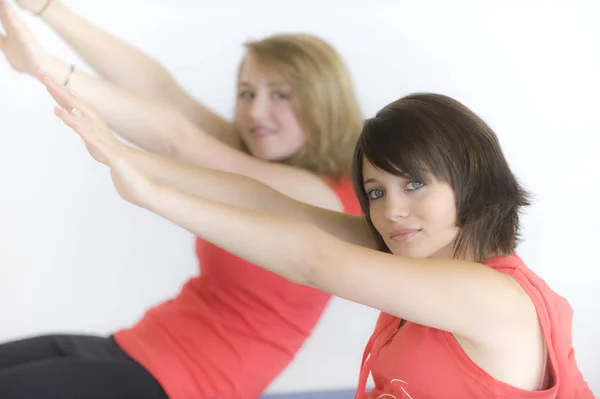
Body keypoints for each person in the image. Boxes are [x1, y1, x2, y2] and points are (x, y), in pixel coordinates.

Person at [42, 74, 594, 398]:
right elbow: (277, 206)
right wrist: (126, 159)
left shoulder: (490, 296)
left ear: (470, 180)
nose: (392, 210)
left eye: (415, 183)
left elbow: (313, 260)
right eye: (376, 191)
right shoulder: (420, 265)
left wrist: (152, 196)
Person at [0, 1, 363, 398]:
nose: (256, 110)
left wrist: (44, 66)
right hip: (136, 348)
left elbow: (175, 140)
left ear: (323, 102)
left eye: (280, 95)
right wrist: (48, 9)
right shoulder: (251, 155)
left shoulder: (320, 196)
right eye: (247, 92)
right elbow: (159, 89)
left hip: (185, 385)